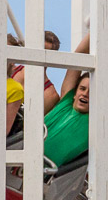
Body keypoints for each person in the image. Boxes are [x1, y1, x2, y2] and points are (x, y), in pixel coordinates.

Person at [42, 32, 91, 166]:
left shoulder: (93, 121)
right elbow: (79, 54)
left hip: (43, 175)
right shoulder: (66, 101)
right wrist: (96, 27)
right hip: (19, 157)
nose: (85, 94)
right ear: (74, 93)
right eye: (82, 89)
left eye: (92, 93)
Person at [12, 30, 61, 106]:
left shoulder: (50, 95)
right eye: (40, 51)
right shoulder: (11, 71)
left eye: (46, 53)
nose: (40, 56)